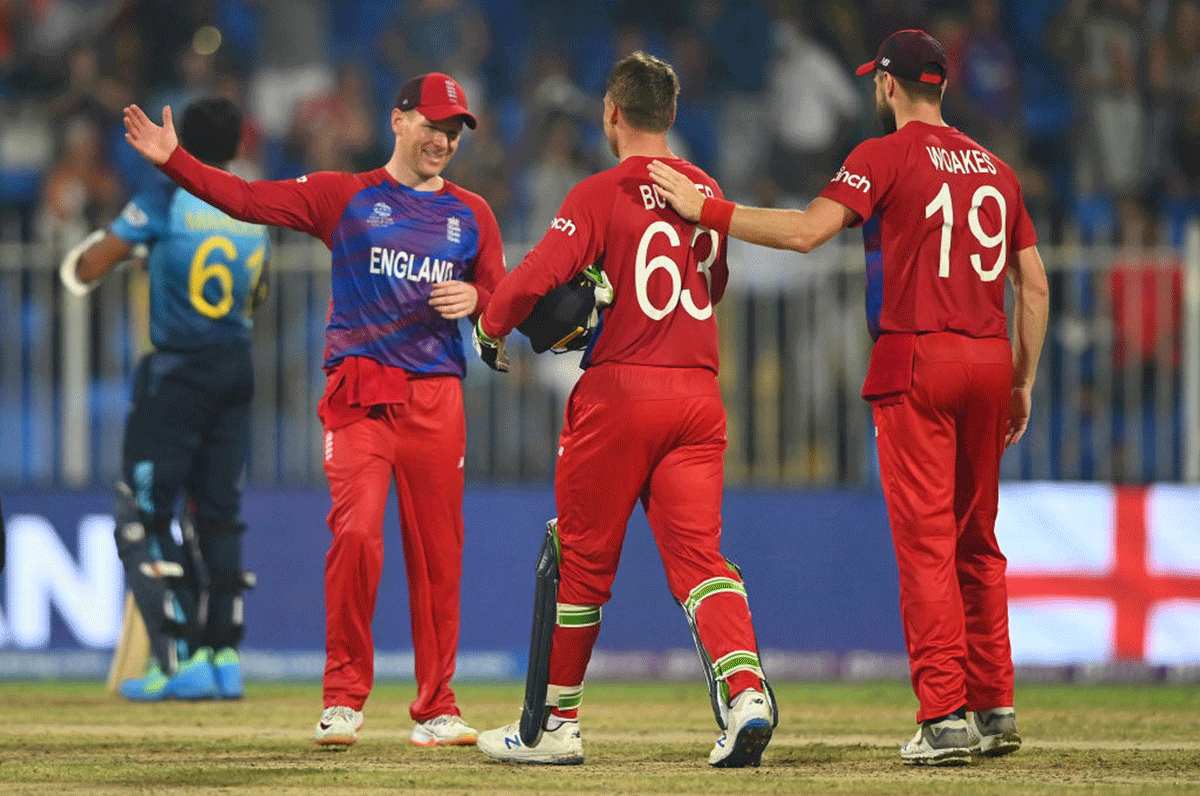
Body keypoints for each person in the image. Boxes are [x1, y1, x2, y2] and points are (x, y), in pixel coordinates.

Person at [649, 29, 1050, 766]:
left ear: (888, 85)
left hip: (918, 357)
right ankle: (994, 705)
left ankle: (944, 718)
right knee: (977, 541)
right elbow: (1035, 286)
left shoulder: (882, 156)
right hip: (990, 356)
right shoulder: (998, 168)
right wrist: (1021, 379)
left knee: (927, 543)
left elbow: (807, 234)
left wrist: (706, 211)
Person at [122, 72, 505, 747]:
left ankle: (437, 707)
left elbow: (502, 304)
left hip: (438, 400)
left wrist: (479, 304)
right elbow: (245, 199)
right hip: (360, 394)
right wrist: (175, 162)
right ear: (398, 119)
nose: (442, 139)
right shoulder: (345, 197)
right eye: (432, 125)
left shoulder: (473, 214)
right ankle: (343, 699)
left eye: (453, 130)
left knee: (439, 555)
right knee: (356, 535)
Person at [472, 52, 777, 769]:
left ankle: (554, 727)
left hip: (620, 394)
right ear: (670, 116)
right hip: (698, 393)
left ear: (611, 114)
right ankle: (746, 696)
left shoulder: (598, 192)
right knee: (701, 560)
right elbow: (715, 285)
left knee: (577, 563)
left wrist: (489, 328)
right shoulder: (705, 189)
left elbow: (531, 279)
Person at [60, 96, 270, 701]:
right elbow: (259, 297)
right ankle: (222, 656)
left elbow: (90, 266)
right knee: (218, 513)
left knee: (145, 511)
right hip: (236, 367)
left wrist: (83, 262)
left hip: (177, 371)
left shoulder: (163, 199)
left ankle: (174, 660)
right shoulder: (250, 208)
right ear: (237, 146)